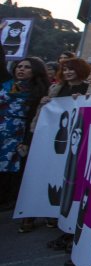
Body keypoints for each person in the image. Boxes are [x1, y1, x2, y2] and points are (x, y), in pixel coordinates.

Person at [0, 57, 49, 216]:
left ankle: (7, 199)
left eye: (27, 67)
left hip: (17, 133)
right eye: (19, 66)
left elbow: (34, 119)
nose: (21, 69)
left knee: (9, 167)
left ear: (35, 71)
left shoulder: (41, 91)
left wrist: (27, 140)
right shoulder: (6, 84)